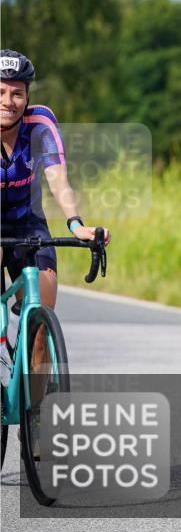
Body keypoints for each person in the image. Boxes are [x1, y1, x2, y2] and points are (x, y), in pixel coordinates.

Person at [0, 49, 110, 386]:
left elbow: (57, 177)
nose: (9, 101)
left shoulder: (40, 124)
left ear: (27, 96)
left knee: (41, 321)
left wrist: (76, 224)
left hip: (29, 224)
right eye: (1, 91)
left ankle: (38, 417)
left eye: (17, 92)